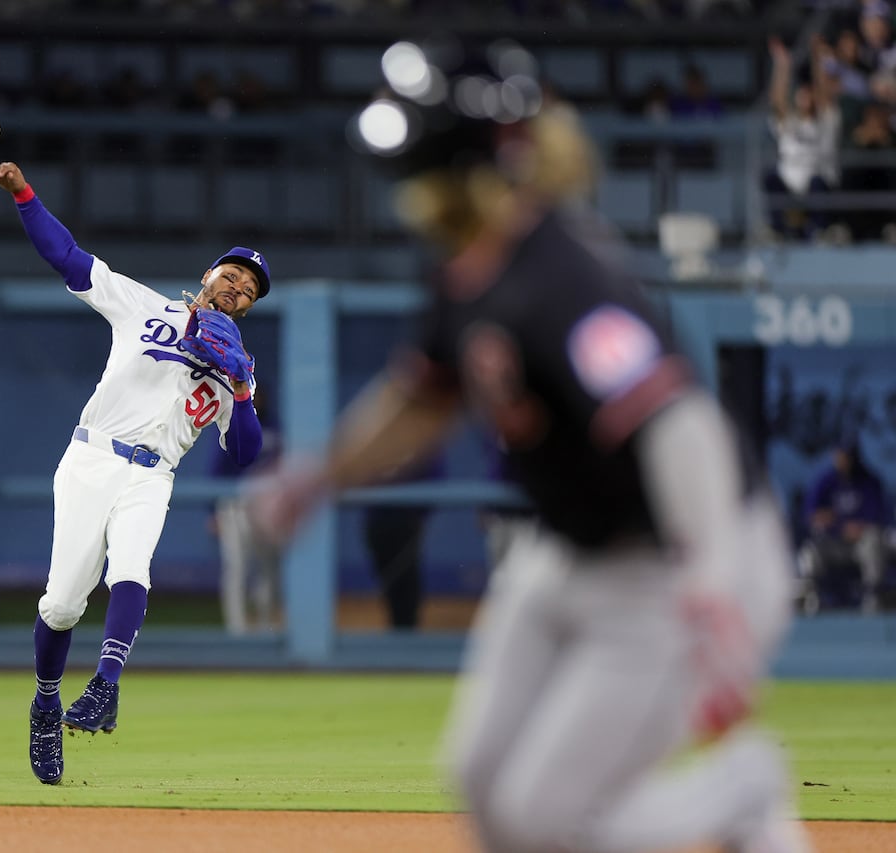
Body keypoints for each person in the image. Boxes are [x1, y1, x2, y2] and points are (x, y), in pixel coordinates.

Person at [248, 38, 808, 852]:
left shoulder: (561, 275)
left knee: (547, 815)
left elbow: (677, 421)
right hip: (573, 550)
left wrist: (712, 574)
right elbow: (417, 401)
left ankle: (740, 792)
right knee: (483, 781)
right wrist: (319, 478)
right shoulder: (462, 273)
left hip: (675, 557)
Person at [0, 161, 270, 787]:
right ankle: (44, 702)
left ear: (248, 307)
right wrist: (25, 194)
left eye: (249, 288)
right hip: (92, 459)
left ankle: (106, 686)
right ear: (208, 275)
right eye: (231, 274)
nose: (237, 287)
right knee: (61, 606)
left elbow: (246, 453)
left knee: (133, 568)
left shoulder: (237, 370)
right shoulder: (145, 307)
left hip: (153, 475)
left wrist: (244, 389)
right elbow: (68, 257)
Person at [210, 384, 282, 635]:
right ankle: (237, 630)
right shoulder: (233, 424)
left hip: (268, 505)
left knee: (268, 568)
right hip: (235, 505)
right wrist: (212, 513)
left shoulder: (276, 427)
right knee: (237, 568)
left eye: (259, 395)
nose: (257, 400)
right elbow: (217, 473)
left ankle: (265, 626)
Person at [764, 35, 841, 242]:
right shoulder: (789, 123)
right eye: (803, 94)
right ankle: (778, 229)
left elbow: (824, 93)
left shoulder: (825, 122)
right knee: (770, 178)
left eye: (810, 94)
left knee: (818, 184)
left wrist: (817, 59)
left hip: (816, 180)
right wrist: (783, 65)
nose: (807, 98)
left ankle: (818, 229)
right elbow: (778, 100)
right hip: (789, 180)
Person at [799, 441, 889, 614]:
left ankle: (873, 595)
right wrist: (839, 525)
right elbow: (811, 514)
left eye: (846, 456)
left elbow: (877, 517)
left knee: (874, 542)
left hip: (861, 544)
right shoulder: (826, 481)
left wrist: (850, 525)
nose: (842, 460)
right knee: (810, 551)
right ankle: (813, 595)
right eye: (839, 455)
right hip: (834, 541)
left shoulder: (869, 482)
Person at [361, 452, 444, 630]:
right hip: (377, 520)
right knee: (387, 578)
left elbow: (436, 474)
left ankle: (407, 632)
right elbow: (359, 472)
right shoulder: (377, 440)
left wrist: (420, 512)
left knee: (406, 579)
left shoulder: (421, 442)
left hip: (407, 520)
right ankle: (398, 630)